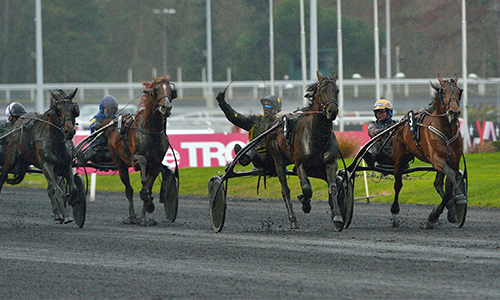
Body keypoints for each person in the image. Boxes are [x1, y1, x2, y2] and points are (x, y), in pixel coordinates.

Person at [216, 90, 282, 171]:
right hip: (259, 160)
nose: (265, 109)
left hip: (275, 160)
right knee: (252, 148)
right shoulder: (255, 120)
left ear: (276, 111)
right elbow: (235, 117)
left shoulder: (281, 123)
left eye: (268, 107)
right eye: (264, 107)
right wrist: (223, 104)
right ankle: (244, 158)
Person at [84, 95, 118, 164]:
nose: (110, 113)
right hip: (98, 146)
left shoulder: (116, 119)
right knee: (89, 153)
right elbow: (92, 123)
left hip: (111, 147)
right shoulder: (96, 118)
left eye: (112, 110)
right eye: (108, 110)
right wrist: (95, 125)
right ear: (102, 109)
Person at [365, 99, 398, 167]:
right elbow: (372, 132)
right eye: (377, 112)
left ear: (389, 112)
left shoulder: (397, 124)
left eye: (382, 112)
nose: (379, 114)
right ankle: (370, 159)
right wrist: (382, 132)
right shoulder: (373, 125)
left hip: (395, 153)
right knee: (374, 141)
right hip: (381, 155)